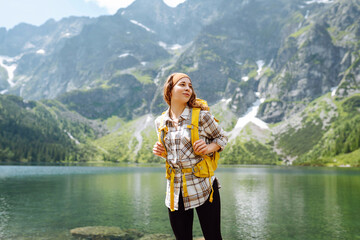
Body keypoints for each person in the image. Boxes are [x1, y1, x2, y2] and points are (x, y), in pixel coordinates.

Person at [153, 72, 228, 240]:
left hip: (203, 185)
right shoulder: (160, 121)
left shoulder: (202, 116)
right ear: (170, 90)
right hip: (175, 188)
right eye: (182, 84)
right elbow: (172, 154)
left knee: (213, 237)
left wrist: (209, 147)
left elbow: (222, 137)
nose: (188, 88)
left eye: (190, 86)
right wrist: (162, 153)